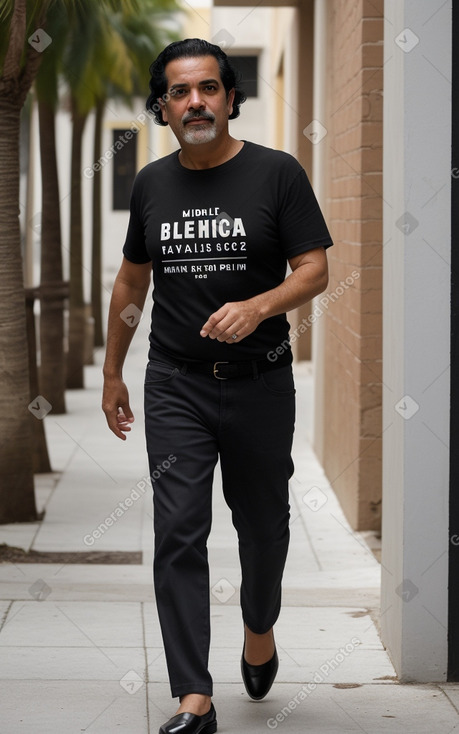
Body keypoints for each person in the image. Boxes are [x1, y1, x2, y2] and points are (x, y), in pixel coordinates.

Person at [102, 38, 333, 734]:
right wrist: (113, 368)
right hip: (175, 383)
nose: (194, 102)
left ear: (231, 99)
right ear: (163, 107)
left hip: (260, 383)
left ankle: (258, 627)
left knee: (262, 527)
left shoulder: (276, 174)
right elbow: (132, 280)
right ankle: (192, 698)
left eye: (208, 88)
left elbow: (313, 269)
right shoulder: (151, 183)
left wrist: (259, 306)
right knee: (177, 530)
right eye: (179, 92)